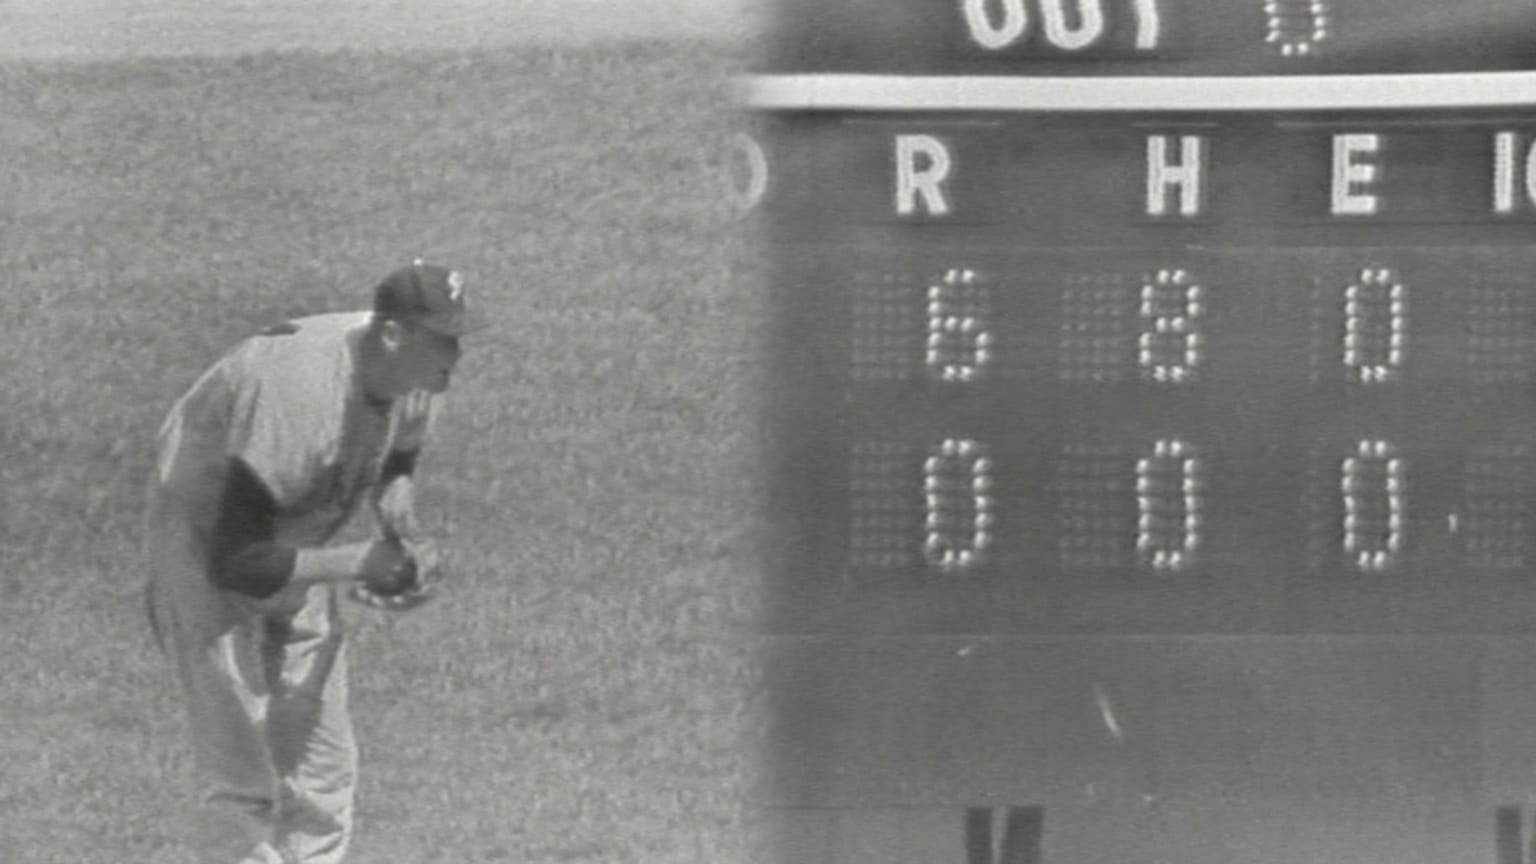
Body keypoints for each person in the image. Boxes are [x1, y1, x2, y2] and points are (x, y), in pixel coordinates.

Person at [143, 260, 485, 863]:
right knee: (241, 781)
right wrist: (360, 562)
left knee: (324, 776)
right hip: (203, 544)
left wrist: (398, 510)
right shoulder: (298, 396)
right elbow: (238, 560)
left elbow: (400, 456)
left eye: (458, 335)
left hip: (289, 532)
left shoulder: (413, 377)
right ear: (392, 335)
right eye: (443, 337)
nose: (455, 352)